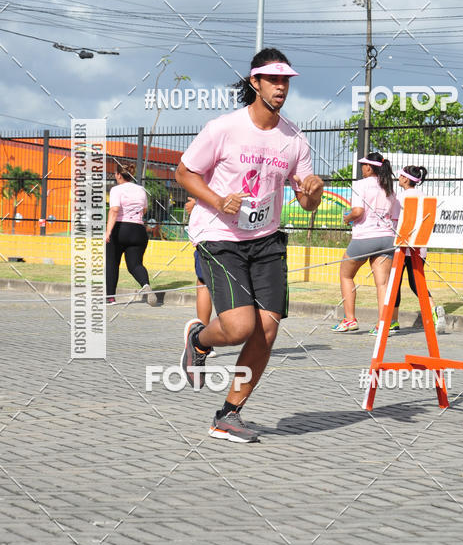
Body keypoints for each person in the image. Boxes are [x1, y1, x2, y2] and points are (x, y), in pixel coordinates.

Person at [175, 48, 323, 443]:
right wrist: (218, 200)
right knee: (240, 326)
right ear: (254, 82)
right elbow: (184, 172)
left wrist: (314, 190)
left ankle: (229, 414)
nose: (281, 87)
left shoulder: (294, 138)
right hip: (220, 236)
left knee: (267, 331)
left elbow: (307, 201)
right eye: (273, 80)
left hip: (266, 240)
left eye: (286, 81)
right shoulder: (224, 127)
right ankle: (199, 341)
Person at [332, 152, 400, 333]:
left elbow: (358, 211)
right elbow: (394, 216)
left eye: (363, 165)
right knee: (383, 284)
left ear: (369, 167)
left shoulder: (361, 185)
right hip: (387, 238)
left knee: (346, 275)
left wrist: (347, 218)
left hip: (365, 237)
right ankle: (383, 324)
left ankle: (349, 319)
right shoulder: (389, 188)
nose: (361, 168)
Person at [391, 165, 446, 333]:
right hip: (420, 247)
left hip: (403, 247)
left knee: (395, 284)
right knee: (417, 283)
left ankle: (393, 321)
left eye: (400, 176)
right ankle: (434, 309)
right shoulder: (424, 196)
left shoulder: (400, 198)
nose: (398, 178)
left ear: (406, 179)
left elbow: (394, 220)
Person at [105, 164, 157, 306]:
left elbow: (114, 210)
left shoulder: (116, 190)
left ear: (118, 175)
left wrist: (108, 231)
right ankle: (145, 284)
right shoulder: (141, 189)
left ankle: (110, 298)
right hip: (138, 230)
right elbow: (144, 209)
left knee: (112, 263)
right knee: (135, 265)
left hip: (120, 229)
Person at [184, 196, 216, 357]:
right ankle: (204, 340)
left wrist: (198, 203)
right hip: (220, 234)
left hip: (213, 235)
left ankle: (203, 340)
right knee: (205, 283)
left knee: (205, 284)